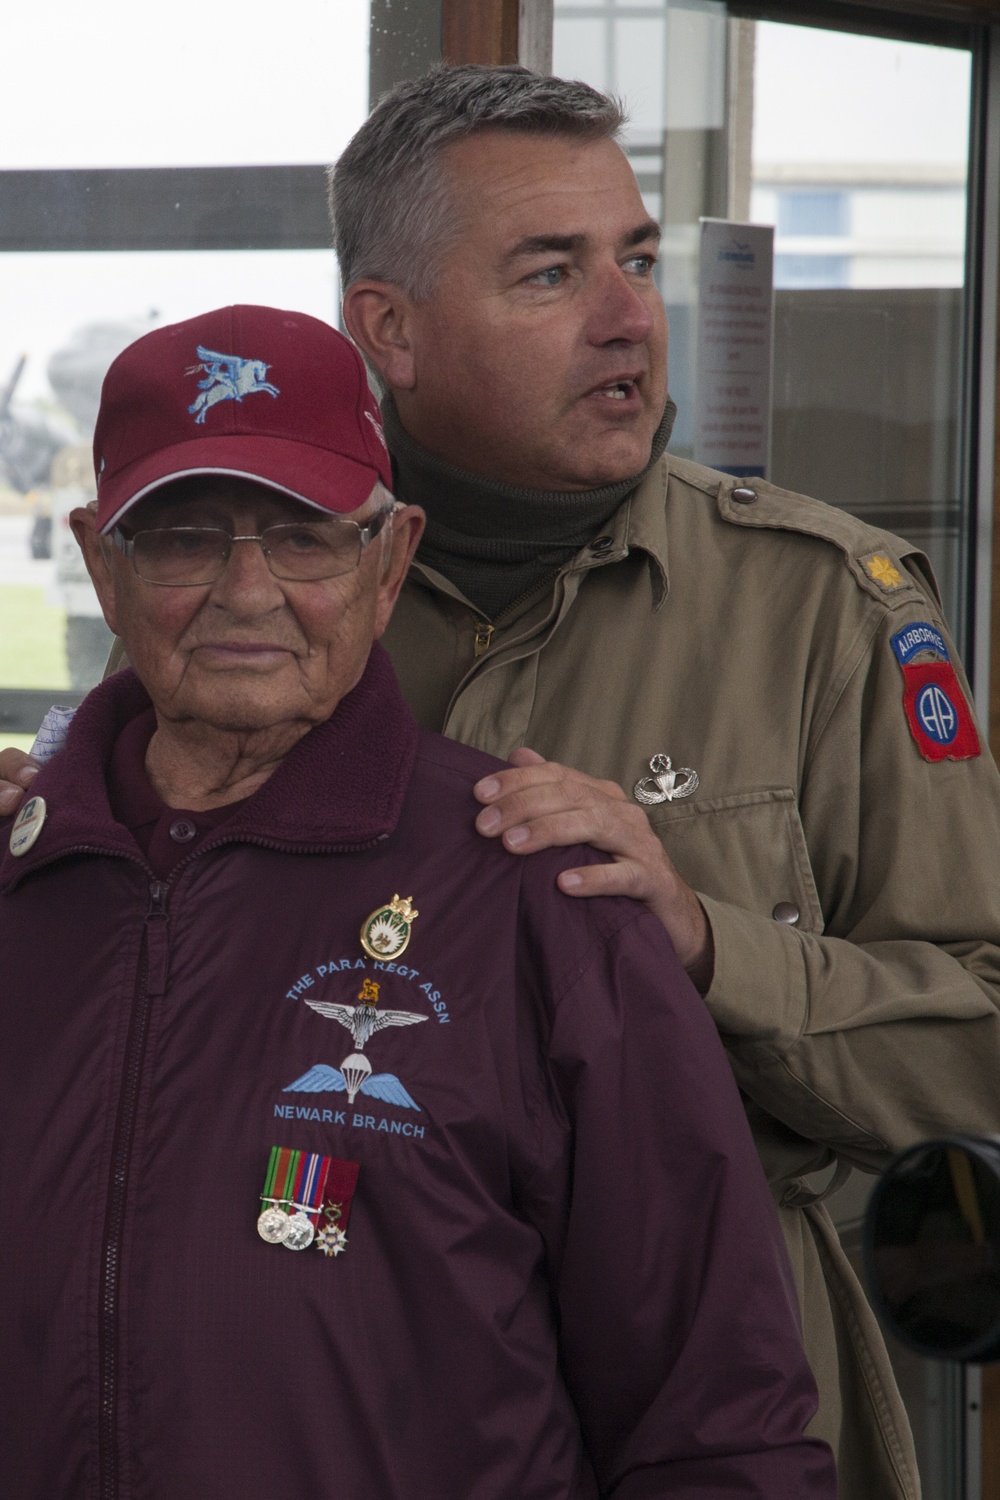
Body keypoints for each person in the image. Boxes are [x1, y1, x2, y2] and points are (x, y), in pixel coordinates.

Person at [4, 64, 999, 1496]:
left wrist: (714, 947)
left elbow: (985, 1036)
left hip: (721, 1365)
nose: (629, 318)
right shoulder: (268, 593)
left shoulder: (824, 606)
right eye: (551, 272)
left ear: (383, 551)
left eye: (639, 261)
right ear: (389, 331)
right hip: (356, 1373)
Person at [0, 303, 835, 1499]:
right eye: (184, 538)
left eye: (305, 540)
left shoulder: (539, 892)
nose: (249, 592)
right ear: (101, 564)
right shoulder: (19, 881)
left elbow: (718, 1424)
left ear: (389, 564)